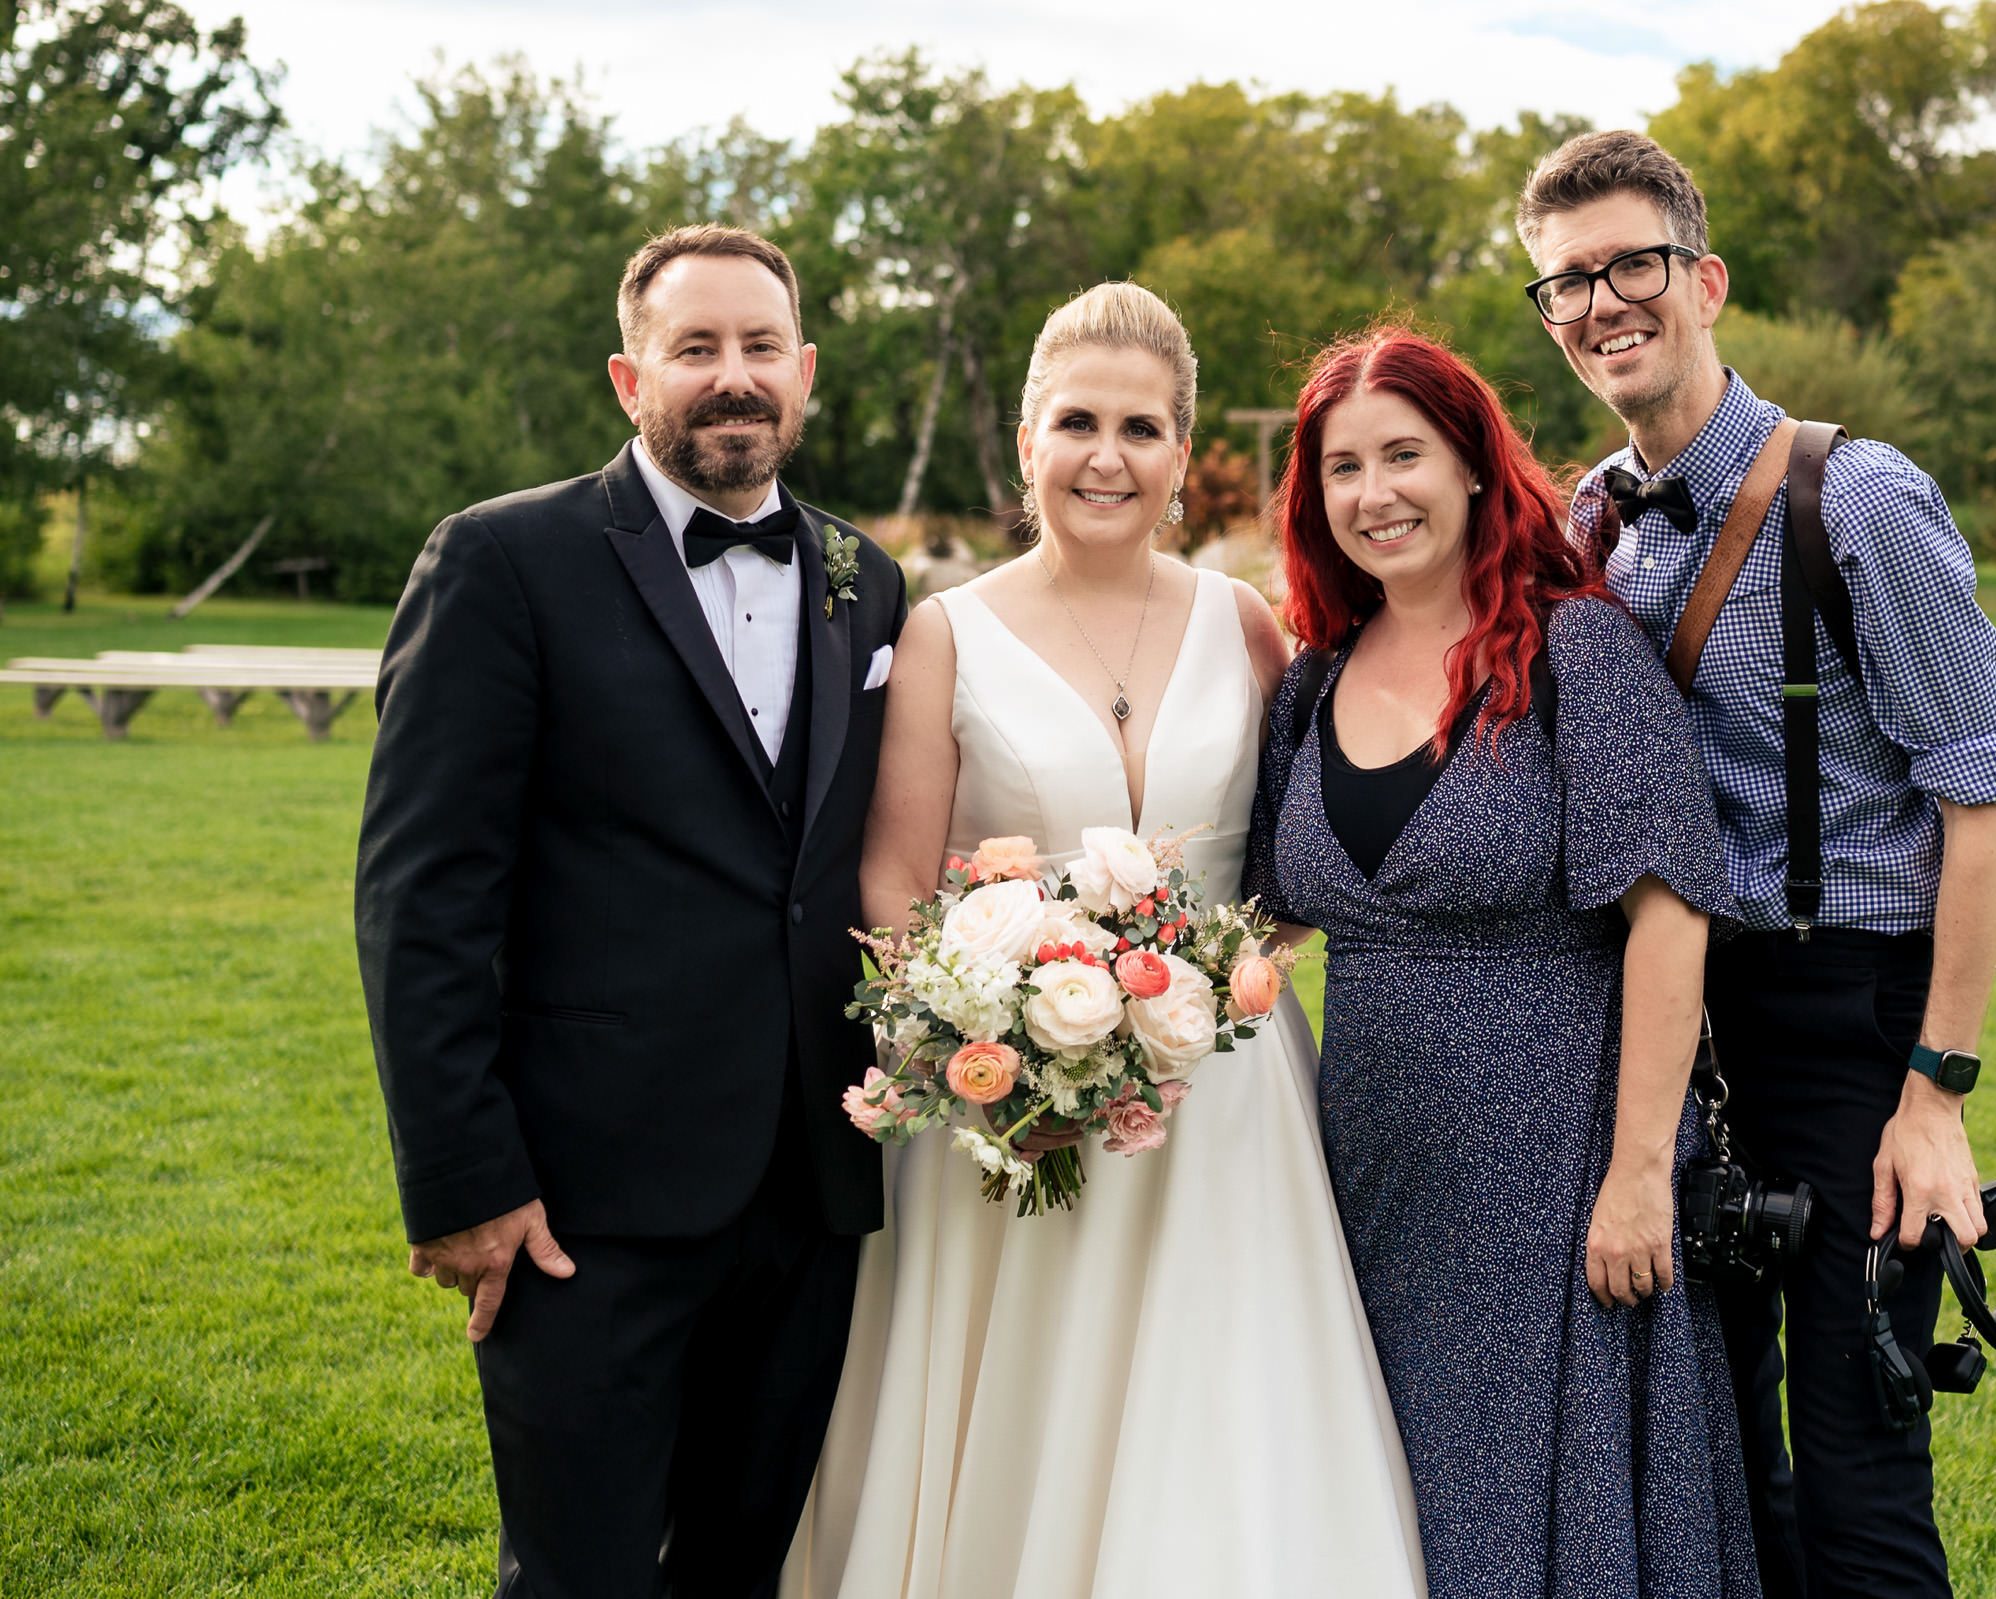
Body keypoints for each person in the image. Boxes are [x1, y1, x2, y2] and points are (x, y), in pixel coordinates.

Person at [790, 282, 1425, 1598]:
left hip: (1234, 1099)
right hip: (1018, 1104)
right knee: (1032, 1409)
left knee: (1229, 1412)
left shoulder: (1247, 624)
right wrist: (999, 1043)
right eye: (1076, 421)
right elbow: (897, 886)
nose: (1106, 455)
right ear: (1027, 441)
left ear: (1185, 457)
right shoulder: (942, 635)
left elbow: (1285, 870)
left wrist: (1218, 976)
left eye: (1142, 428)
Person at [1516, 131, 1996, 1599]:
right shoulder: (1587, 523)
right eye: (1566, 283)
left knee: (1862, 1476)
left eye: (1632, 265)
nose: (1604, 302)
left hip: (1845, 1024)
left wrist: (1935, 1093)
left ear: (1706, 279)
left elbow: (1983, 795)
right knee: (1728, 1467)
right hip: (1668, 1029)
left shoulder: (1858, 500)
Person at [355, 223, 907, 1599]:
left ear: (806, 370)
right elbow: (422, 895)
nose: (734, 377)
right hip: (581, 1197)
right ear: (628, 376)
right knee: (581, 1573)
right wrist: (464, 1176)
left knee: (745, 1564)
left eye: (761, 347)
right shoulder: (503, 560)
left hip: (809, 1190)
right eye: (696, 349)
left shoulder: (864, 577)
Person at [1243, 325, 1759, 1599]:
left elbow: (1672, 914)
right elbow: (1265, 931)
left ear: (1475, 464)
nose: (1376, 494)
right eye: (1342, 468)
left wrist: (1641, 1176)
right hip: (1366, 1171)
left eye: (1405, 454)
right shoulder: (1311, 684)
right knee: (1389, 1497)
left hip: (1560, 1165)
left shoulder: (1571, 650)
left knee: (1547, 1514)